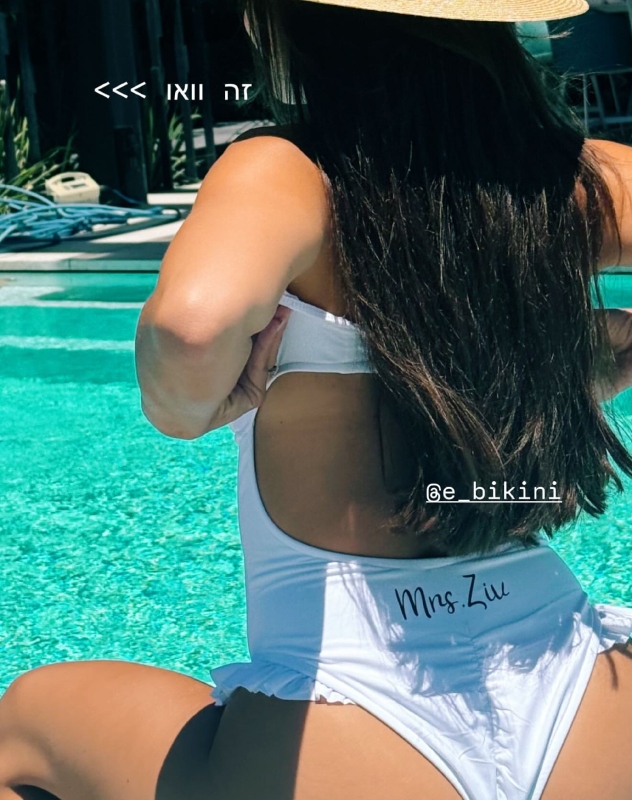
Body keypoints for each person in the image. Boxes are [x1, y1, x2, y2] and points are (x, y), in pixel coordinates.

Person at [1, 0, 632, 797]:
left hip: (351, 724)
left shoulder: (288, 173)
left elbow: (191, 330)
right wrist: (565, 364)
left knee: (24, 721)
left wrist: (186, 410)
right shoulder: (568, 180)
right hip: (584, 694)